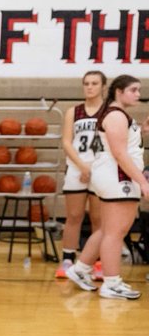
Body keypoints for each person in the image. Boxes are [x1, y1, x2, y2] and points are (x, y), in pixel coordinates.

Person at [65, 75, 149, 300]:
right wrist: (142, 181)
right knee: (115, 232)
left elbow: (125, 145)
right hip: (117, 178)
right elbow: (120, 153)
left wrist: (141, 131)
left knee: (106, 230)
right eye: (133, 90)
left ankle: (80, 269)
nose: (138, 95)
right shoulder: (115, 115)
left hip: (112, 177)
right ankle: (112, 282)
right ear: (119, 92)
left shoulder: (115, 114)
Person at [57, 71, 106, 280]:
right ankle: (68, 258)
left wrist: (93, 168)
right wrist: (82, 165)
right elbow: (67, 142)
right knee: (74, 216)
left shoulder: (110, 112)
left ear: (103, 86)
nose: (89, 87)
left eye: (94, 83)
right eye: (86, 83)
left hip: (101, 168)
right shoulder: (73, 112)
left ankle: (97, 262)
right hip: (77, 168)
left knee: (98, 219)